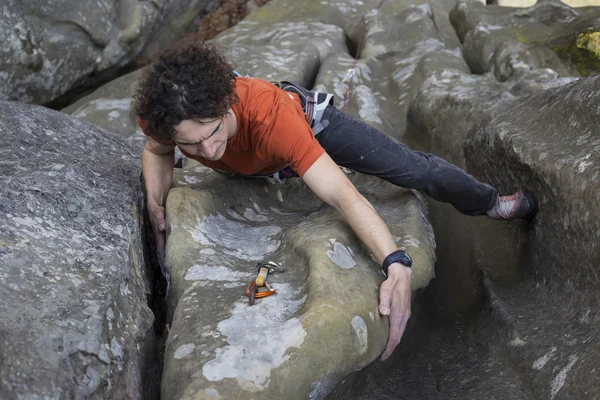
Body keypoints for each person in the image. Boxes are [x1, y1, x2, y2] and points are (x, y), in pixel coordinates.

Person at [131, 41, 537, 361]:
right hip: (259, 161)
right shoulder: (165, 117)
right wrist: (155, 201)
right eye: (193, 143)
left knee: (412, 170)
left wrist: (395, 262)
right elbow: (157, 149)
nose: (209, 149)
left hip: (312, 126)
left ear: (226, 104)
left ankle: (489, 202)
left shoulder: (271, 117)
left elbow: (344, 195)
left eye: (213, 131)